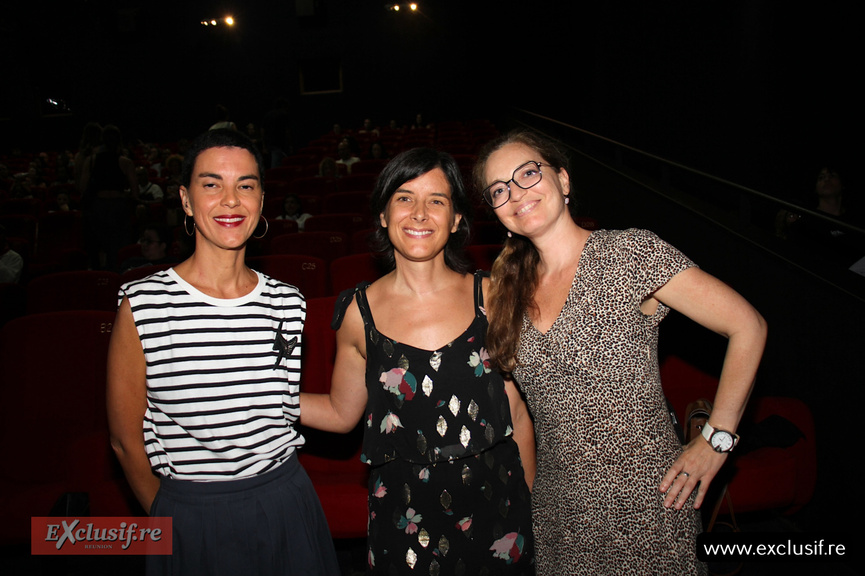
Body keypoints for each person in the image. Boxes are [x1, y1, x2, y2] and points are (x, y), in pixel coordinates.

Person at [474, 130, 767, 576]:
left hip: (652, 504)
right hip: (561, 521)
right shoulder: (502, 297)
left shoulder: (629, 252)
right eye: (500, 189)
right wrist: (533, 499)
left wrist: (717, 440)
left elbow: (748, 325)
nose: (516, 193)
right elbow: (519, 415)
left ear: (564, 181)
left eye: (528, 173)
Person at [107, 129, 339, 576]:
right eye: (212, 185)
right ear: (186, 200)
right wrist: (168, 513)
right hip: (189, 510)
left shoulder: (288, 302)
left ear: (262, 199)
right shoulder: (143, 304)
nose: (231, 200)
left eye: (246, 186)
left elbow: (276, 403)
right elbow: (123, 439)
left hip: (286, 500)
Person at [300, 148, 536, 575]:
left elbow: (517, 412)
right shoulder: (358, 313)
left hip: (497, 508)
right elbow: (340, 412)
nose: (420, 213)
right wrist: (263, 395)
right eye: (405, 198)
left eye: (437, 201)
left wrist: (530, 509)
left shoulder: (494, 297)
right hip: (404, 520)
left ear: (457, 219)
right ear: (383, 216)